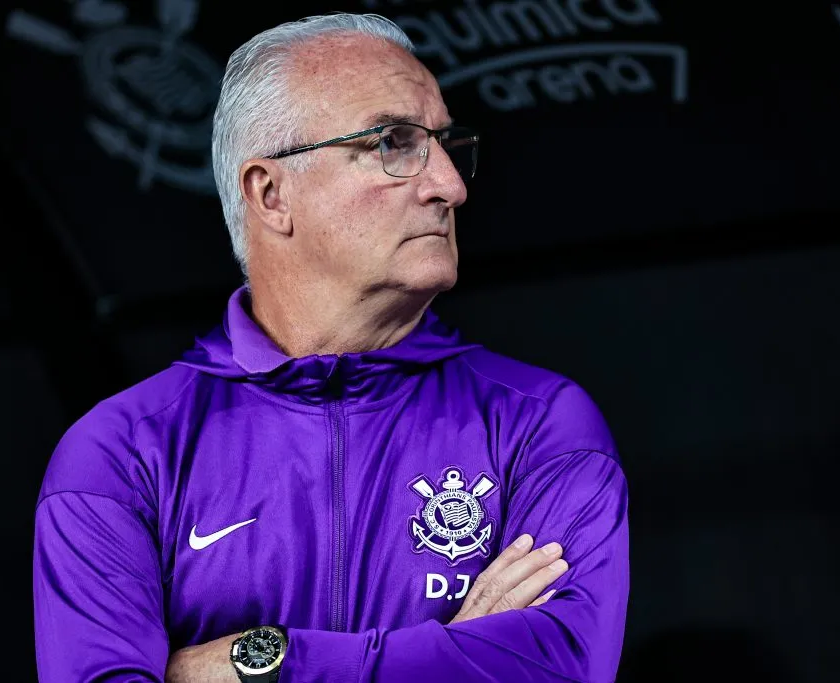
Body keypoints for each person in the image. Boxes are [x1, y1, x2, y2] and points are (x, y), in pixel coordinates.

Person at [33, 12, 629, 683]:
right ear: (271, 194)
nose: (450, 186)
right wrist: (452, 652)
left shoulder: (540, 423)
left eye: (444, 143)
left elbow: (556, 668)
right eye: (394, 143)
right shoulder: (123, 453)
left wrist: (250, 663)